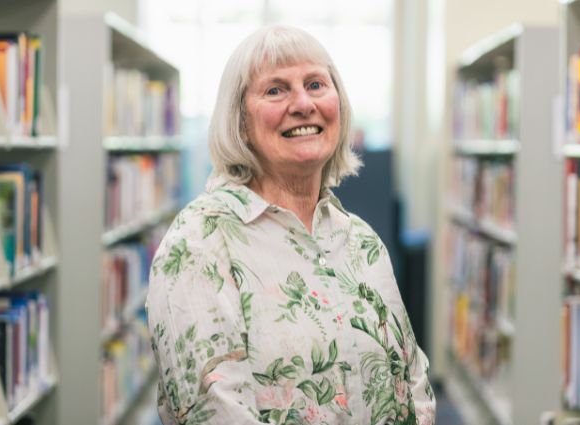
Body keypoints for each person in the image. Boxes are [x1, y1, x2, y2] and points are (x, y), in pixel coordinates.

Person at [146, 25, 436, 425]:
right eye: (275, 90)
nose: (303, 103)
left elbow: (413, 378)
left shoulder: (361, 240)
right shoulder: (198, 244)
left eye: (316, 84)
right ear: (241, 121)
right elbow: (213, 413)